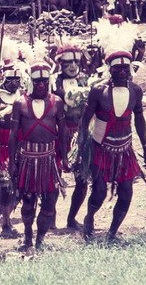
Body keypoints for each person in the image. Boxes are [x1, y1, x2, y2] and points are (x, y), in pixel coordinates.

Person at [77, 34, 146, 242]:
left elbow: (139, 120)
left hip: (125, 150)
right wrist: (81, 149)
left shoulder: (136, 91)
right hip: (101, 148)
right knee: (99, 191)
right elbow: (85, 121)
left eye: (125, 68)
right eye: (117, 68)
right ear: (109, 70)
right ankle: (89, 218)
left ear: (130, 69)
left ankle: (112, 233)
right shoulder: (98, 91)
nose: (121, 72)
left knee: (127, 193)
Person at [8, 62, 68, 250]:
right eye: (37, 81)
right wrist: (11, 162)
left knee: (50, 201)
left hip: (49, 159)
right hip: (27, 158)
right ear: (30, 82)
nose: (41, 84)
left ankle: (40, 239)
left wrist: (64, 157)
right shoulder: (20, 103)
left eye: (44, 80)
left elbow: (63, 130)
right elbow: (12, 134)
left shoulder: (57, 102)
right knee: (28, 200)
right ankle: (27, 236)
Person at [52, 44, 89, 230]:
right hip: (58, 135)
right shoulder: (53, 83)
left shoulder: (85, 81)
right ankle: (50, 217)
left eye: (76, 61)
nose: (73, 66)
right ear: (60, 64)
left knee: (82, 180)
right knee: (53, 179)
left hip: (80, 134)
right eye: (68, 63)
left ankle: (71, 218)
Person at [0, 62, 24, 237]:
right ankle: (6, 224)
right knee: (4, 184)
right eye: (11, 80)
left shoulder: (23, 97)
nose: (14, 83)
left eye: (17, 79)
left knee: (14, 184)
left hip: (18, 147)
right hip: (0, 147)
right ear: (3, 79)